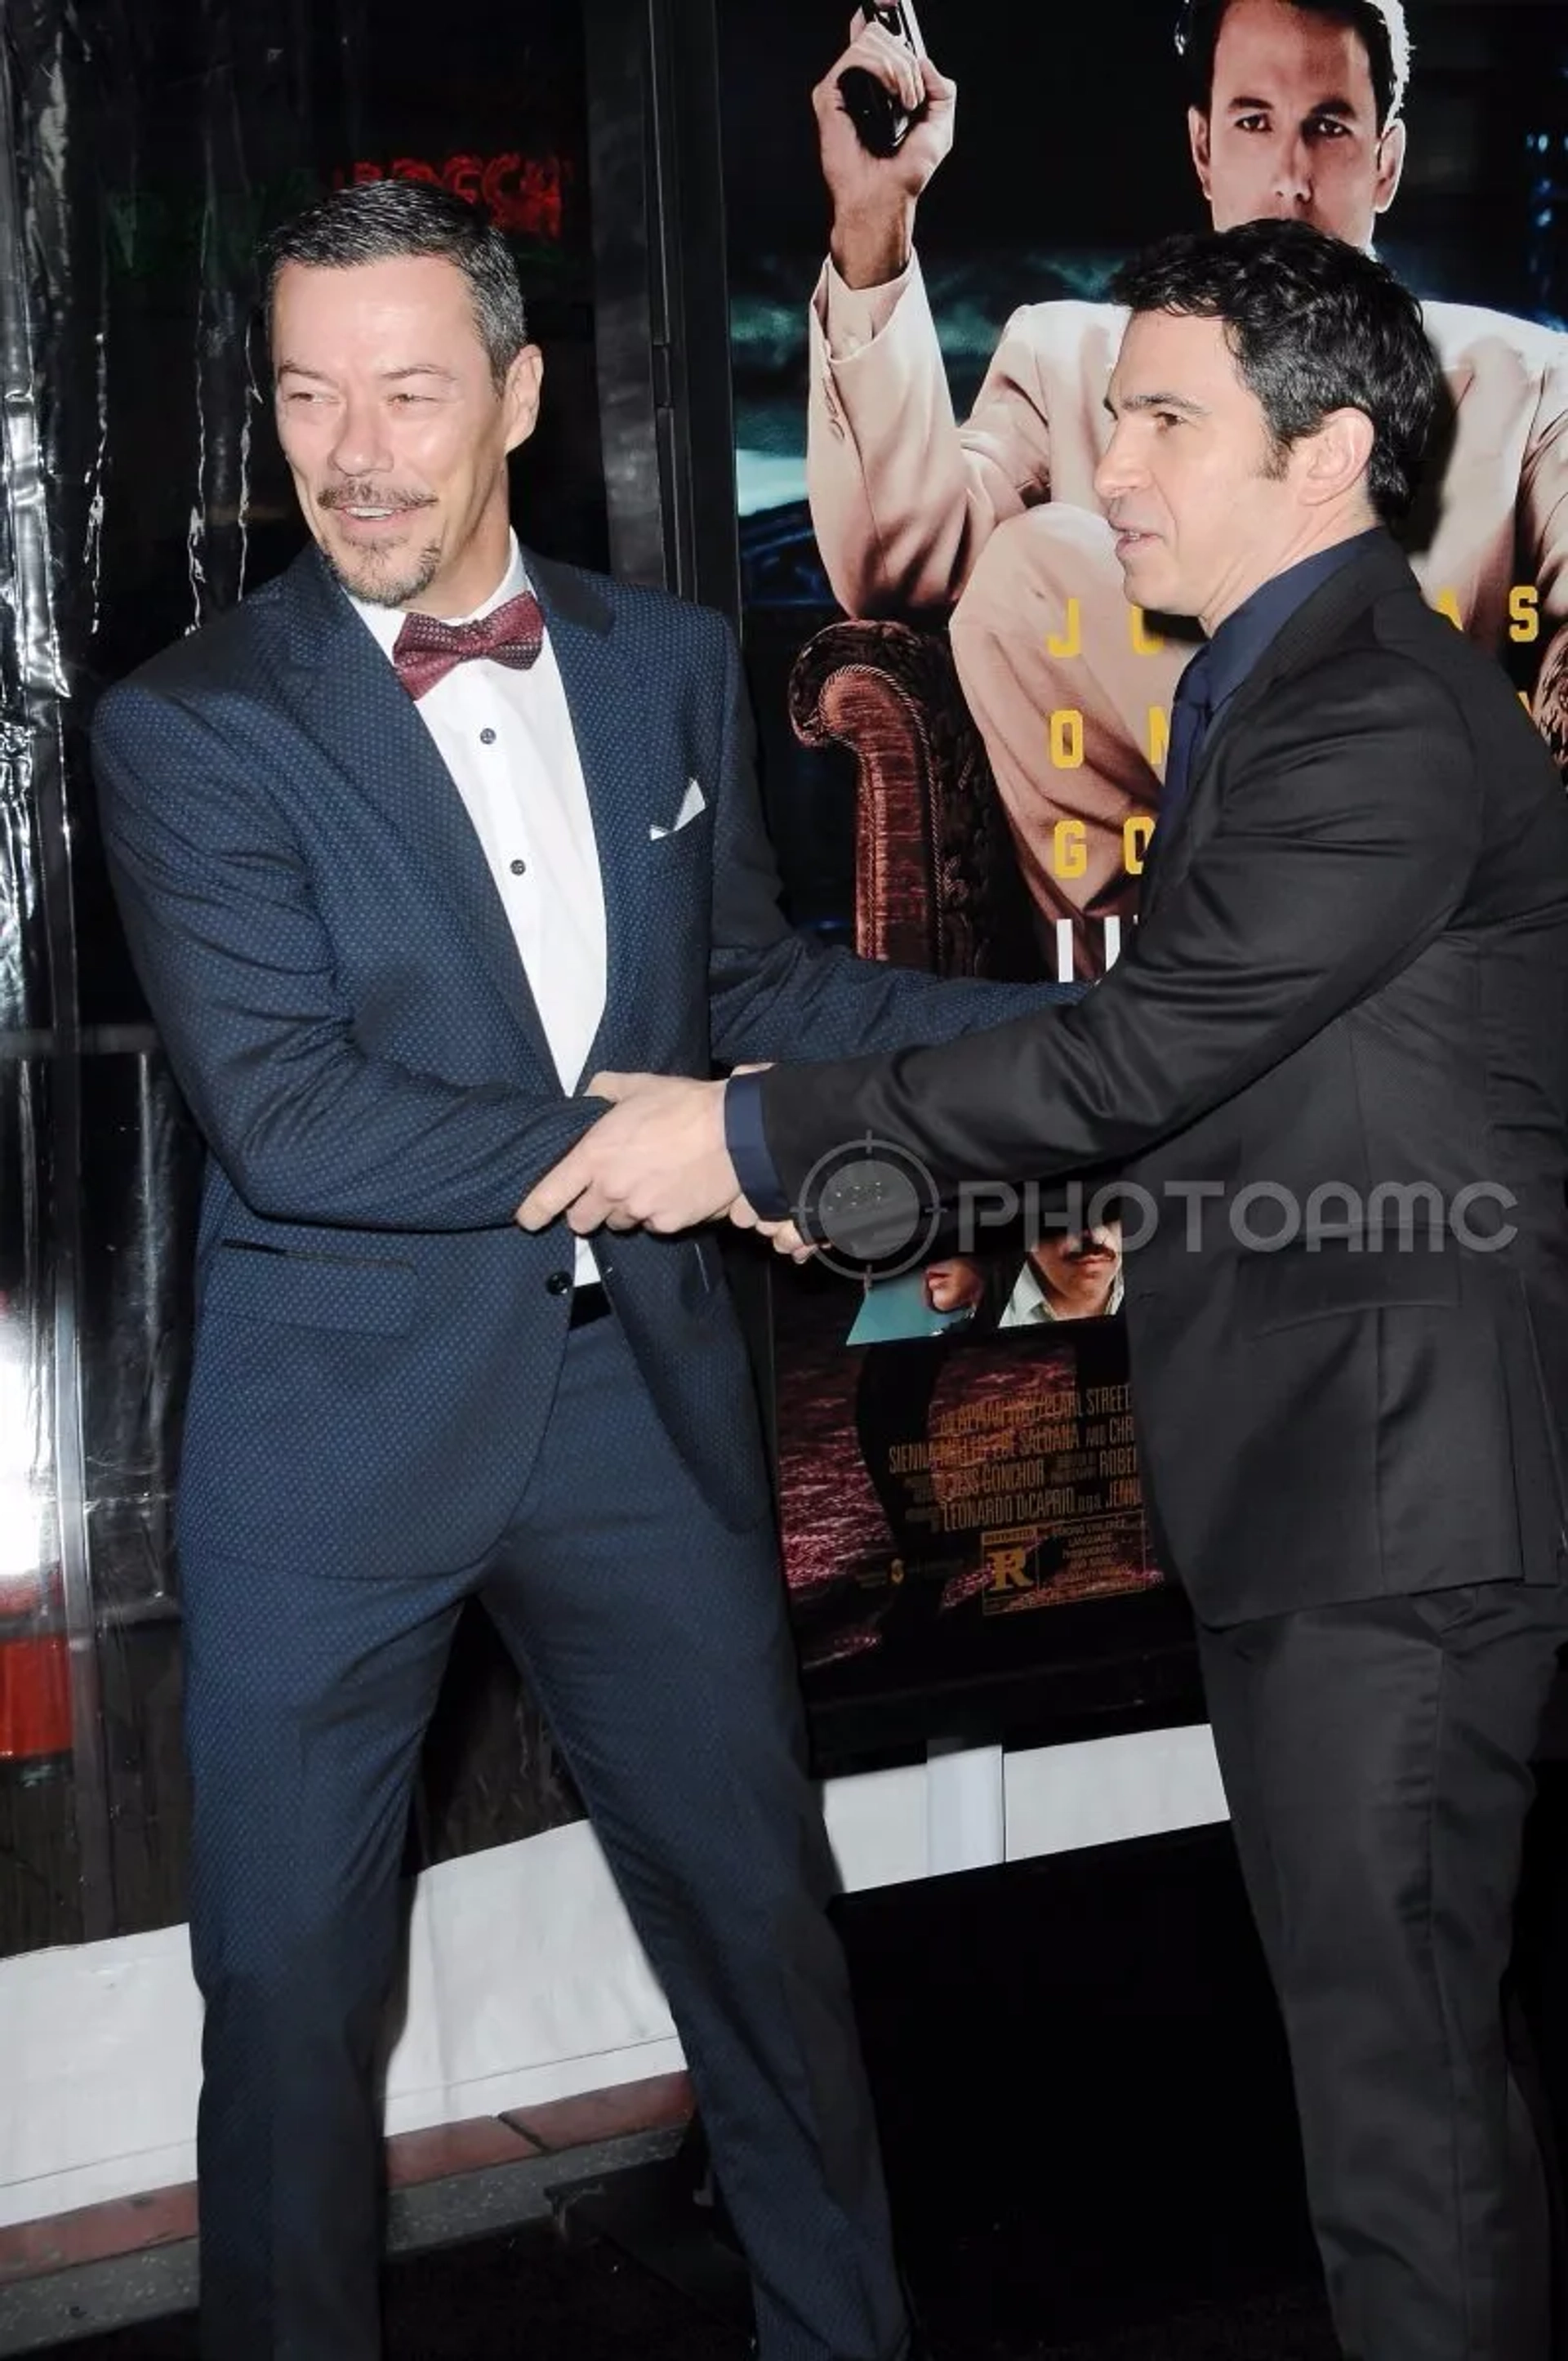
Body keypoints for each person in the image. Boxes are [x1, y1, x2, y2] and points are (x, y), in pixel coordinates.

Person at [522, 220, 1568, 2361]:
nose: (1117, 470)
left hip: (1399, 1507)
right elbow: (1206, 1092)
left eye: (1167, 417)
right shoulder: (1297, 688)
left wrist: (746, 1135)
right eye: (1116, 419)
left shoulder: (1368, 711)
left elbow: (1136, 1055)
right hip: (1350, 1491)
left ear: (1337, 446)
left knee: (1403, 2105)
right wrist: (864, 1187)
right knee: (1387, 2069)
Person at [90, 178, 1075, 2361]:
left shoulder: (663, 665)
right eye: (309, 393)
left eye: (410, 391)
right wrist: (709, 1159)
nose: (353, 447)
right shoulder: (191, 727)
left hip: (638, 1423)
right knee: (283, 2007)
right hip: (337, 1447)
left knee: (763, 1948)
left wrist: (1073, 1041)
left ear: (520, 396)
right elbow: (302, 1116)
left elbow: (752, 987)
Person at [807, 0, 1568, 960]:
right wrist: (876, 213)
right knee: (1036, 559)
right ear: (1204, 149)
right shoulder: (1066, 361)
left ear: (1387, 160)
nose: (1291, 180)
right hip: (1162, 992)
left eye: (1327, 128)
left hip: (1432, 948)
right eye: (1254, 123)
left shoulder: (1527, 384)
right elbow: (896, 568)